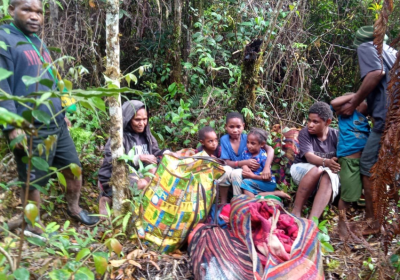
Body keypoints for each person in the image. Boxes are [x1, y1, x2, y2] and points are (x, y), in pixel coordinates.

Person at [0, 0, 99, 232]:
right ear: (11, 10)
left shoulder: (37, 42)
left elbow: (51, 78)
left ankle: (73, 208)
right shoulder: (4, 39)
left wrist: (63, 111)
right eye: (27, 10)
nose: (34, 16)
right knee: (32, 179)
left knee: (74, 169)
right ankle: (32, 225)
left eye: (38, 12)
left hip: (55, 121)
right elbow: (2, 87)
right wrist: (12, 126)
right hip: (29, 125)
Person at [337, 26, 397, 234]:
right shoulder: (393, 53)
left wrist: (354, 101)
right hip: (393, 119)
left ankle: (374, 222)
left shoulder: (368, 47)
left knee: (368, 166)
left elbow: (376, 74)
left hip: (387, 122)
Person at [98, 100, 171, 217]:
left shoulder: (147, 135)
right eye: (137, 120)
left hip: (139, 174)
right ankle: (107, 198)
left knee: (157, 174)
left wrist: (167, 153)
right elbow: (112, 159)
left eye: (145, 119)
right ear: (128, 119)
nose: (142, 123)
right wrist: (138, 158)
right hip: (117, 176)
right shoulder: (118, 137)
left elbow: (155, 153)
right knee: (142, 183)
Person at [290, 102, 340, 219]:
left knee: (328, 175)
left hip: (325, 174)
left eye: (315, 122)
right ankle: (296, 210)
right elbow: (309, 157)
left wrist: (331, 165)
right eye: (309, 120)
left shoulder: (336, 136)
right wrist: (327, 162)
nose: (310, 125)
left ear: (328, 122)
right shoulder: (304, 133)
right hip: (303, 169)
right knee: (317, 170)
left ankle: (313, 221)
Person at [331, 94, 370, 239]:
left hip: (364, 161)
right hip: (348, 161)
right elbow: (334, 102)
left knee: (363, 193)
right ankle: (342, 221)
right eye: (362, 102)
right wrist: (358, 94)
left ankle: (368, 220)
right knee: (346, 197)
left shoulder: (365, 119)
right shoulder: (347, 113)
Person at [219, 112, 275, 202]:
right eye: (231, 127)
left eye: (238, 127)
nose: (235, 130)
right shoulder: (224, 140)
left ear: (243, 126)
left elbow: (270, 149)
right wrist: (244, 164)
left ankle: (238, 200)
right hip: (235, 167)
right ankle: (223, 202)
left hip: (247, 172)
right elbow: (225, 162)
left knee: (236, 173)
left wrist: (267, 167)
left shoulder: (248, 138)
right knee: (225, 170)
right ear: (226, 126)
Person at [240, 128, 290, 199]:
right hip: (255, 182)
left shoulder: (263, 157)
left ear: (262, 144)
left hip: (267, 183)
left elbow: (268, 178)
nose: (249, 145)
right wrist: (244, 166)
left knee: (245, 183)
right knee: (247, 186)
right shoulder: (246, 151)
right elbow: (242, 161)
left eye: (253, 143)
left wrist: (252, 176)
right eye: (247, 142)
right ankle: (274, 193)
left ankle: (252, 204)